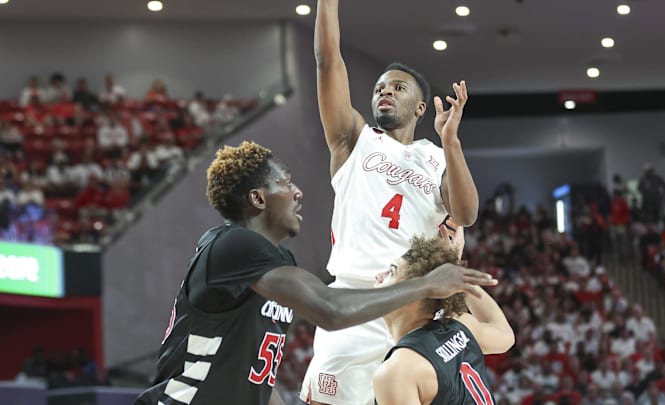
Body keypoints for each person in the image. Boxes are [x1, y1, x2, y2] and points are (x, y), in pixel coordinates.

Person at [134, 141, 494, 405]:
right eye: (286, 183)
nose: (298, 192)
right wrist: (426, 284)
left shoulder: (276, 264)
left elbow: (254, 379)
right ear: (258, 199)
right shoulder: (232, 245)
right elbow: (330, 309)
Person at [302, 0, 479, 403]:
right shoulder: (353, 140)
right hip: (352, 299)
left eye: (398, 88)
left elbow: (466, 213)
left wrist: (450, 141)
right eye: (380, 88)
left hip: (412, 308)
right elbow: (328, 62)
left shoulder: (435, 157)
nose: (385, 92)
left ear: (420, 107)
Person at [373, 223, 514, 404]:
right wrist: (457, 273)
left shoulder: (398, 371)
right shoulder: (462, 326)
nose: (379, 276)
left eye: (391, 272)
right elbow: (506, 335)